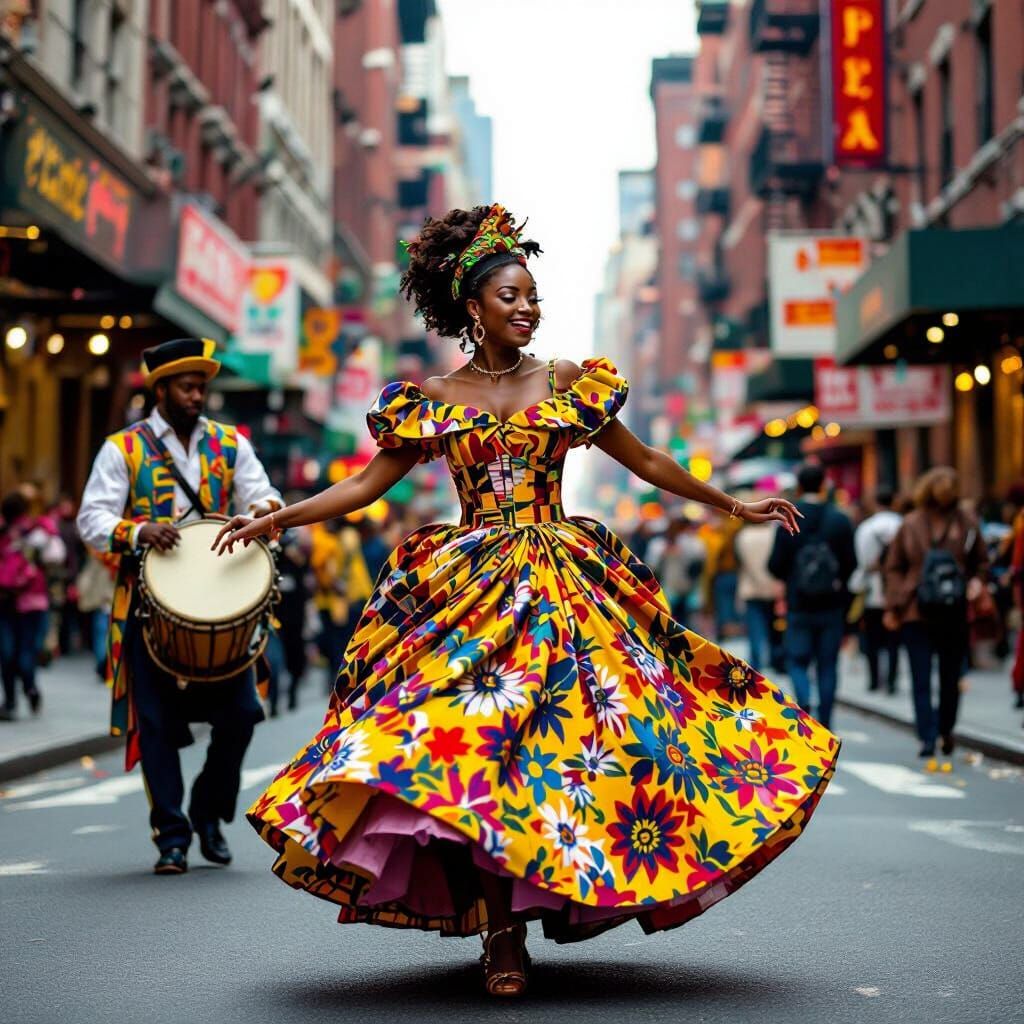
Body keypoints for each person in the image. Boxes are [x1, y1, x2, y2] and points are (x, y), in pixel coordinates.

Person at [214, 204, 838, 999]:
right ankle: (500, 934)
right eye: (510, 295)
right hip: (466, 590)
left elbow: (646, 459)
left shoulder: (572, 382)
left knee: (582, 744)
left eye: (533, 294)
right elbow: (367, 486)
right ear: (472, 308)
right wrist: (278, 515)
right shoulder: (433, 394)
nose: (527, 307)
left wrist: (734, 505)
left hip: (562, 581)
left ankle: (561, 885)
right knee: (459, 750)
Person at [77, 338, 282, 874]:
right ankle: (171, 836)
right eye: (187, 387)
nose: (197, 396)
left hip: (223, 606)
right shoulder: (122, 449)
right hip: (151, 613)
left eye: (202, 388)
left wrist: (262, 510)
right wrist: (138, 529)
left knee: (241, 716)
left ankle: (208, 812)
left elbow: (266, 498)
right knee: (157, 725)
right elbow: (92, 519)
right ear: (160, 388)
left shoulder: (231, 444)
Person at [883, 467, 988, 757]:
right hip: (916, 610)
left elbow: (981, 561)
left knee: (950, 676)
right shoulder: (912, 523)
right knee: (921, 676)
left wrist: (977, 582)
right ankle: (927, 736)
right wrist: (894, 603)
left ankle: (945, 729)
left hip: (953, 609)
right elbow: (893, 566)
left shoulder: (966, 522)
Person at [768, 463, 856, 730]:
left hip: (799, 603)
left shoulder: (789, 520)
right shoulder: (839, 519)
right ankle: (826, 719)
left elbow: (774, 565)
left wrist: (790, 579)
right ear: (823, 485)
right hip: (831, 604)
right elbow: (851, 563)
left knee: (797, 659)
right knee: (828, 664)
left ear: (799, 487)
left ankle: (804, 701)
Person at [0, 492, 66, 719]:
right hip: (22, 601)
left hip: (21, 601)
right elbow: (56, 558)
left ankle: (21, 694)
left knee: (13, 654)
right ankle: (20, 695)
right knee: (16, 653)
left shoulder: (31, 533)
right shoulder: (35, 531)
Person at [851, 489, 903, 694]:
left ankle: (873, 679)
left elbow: (861, 560)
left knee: (871, 637)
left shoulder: (866, 528)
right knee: (894, 639)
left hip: (871, 588)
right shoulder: (902, 525)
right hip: (895, 589)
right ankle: (892, 680)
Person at [735, 512, 782, 673]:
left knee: (755, 630)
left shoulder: (744, 536)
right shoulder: (774, 533)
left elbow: (744, 564)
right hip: (774, 588)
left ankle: (756, 666)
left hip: (751, 590)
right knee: (774, 628)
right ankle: (776, 660)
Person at [644, 515, 703, 621]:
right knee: (675, 618)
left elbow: (698, 559)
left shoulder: (687, 542)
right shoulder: (660, 544)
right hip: (671, 587)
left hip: (682, 587)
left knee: (679, 618)